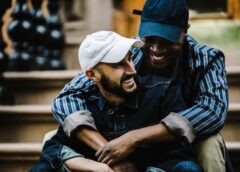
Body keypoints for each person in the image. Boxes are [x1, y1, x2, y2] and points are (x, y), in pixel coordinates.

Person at [51, 0, 231, 171]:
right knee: (53, 139)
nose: (156, 49)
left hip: (182, 145)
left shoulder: (206, 59)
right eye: (150, 38)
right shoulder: (129, 53)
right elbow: (67, 98)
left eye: (167, 40)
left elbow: (212, 111)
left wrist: (133, 138)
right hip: (134, 145)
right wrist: (110, 150)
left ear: (185, 30)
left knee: (211, 143)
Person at [31, 31, 203, 172]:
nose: (132, 70)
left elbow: (181, 154)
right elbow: (51, 151)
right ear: (92, 75)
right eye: (118, 65)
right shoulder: (84, 103)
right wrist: (98, 168)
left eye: (129, 58)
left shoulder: (163, 92)